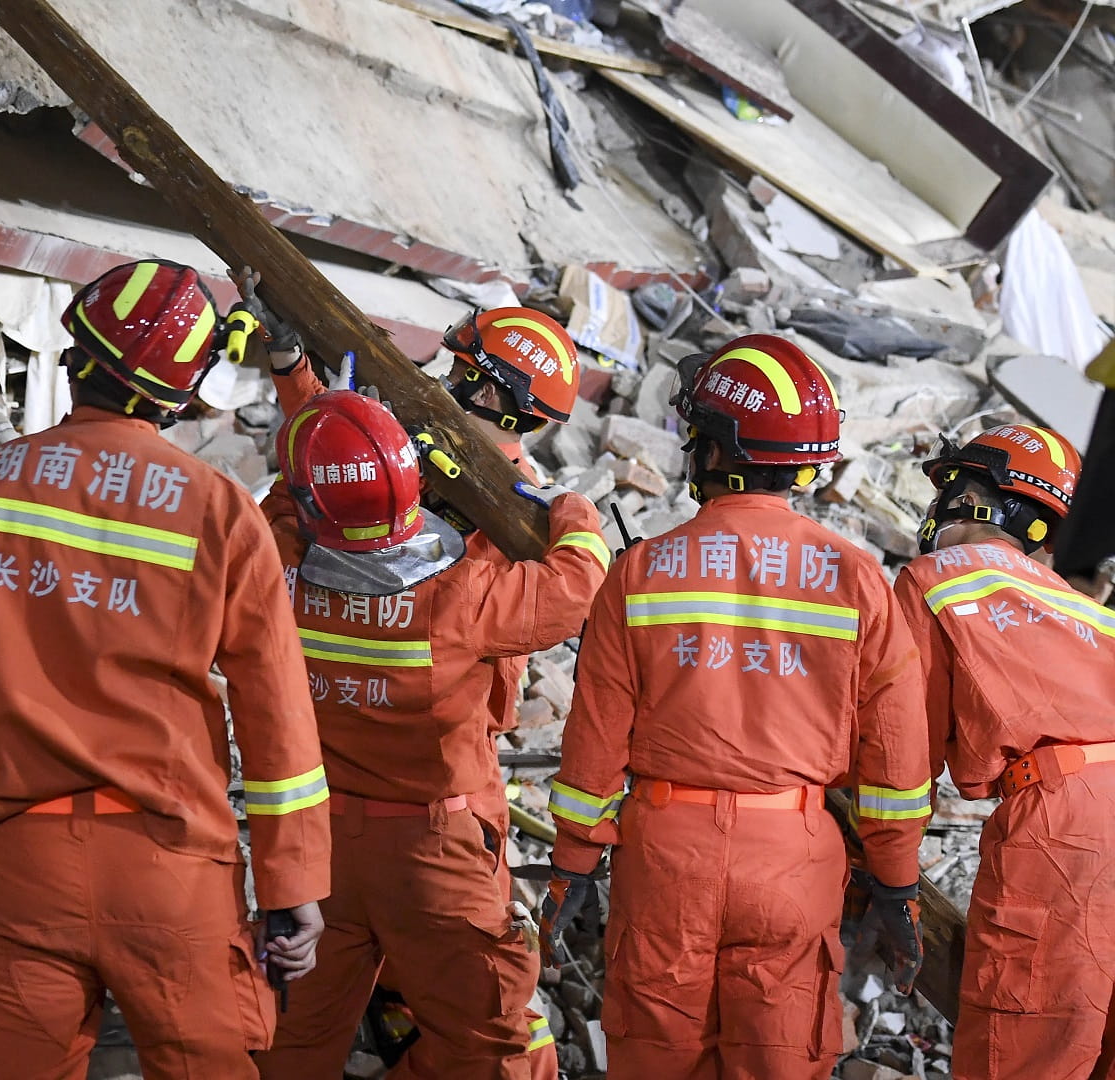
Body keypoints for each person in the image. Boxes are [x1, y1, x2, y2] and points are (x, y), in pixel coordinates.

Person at [0, 259, 332, 1080]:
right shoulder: (222, 514)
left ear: (76, 358)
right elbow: (277, 718)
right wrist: (294, 883)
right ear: (181, 397)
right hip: (173, 875)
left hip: (16, 872)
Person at [544, 334, 930, 1078]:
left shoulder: (643, 572)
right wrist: (898, 878)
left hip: (665, 856)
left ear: (715, 452)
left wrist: (571, 863)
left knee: (656, 1058)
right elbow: (896, 750)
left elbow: (593, 742)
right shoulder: (857, 579)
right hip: (793, 857)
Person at [246, 301, 609, 1077]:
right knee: (495, 1040)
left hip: (315, 833)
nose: (439, 380)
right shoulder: (471, 583)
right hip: (438, 834)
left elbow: (324, 469)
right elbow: (578, 581)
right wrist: (571, 511)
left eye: (457, 369)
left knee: (290, 1037)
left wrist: (295, 378)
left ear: (485, 386)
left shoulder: (284, 569)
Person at [892, 423, 1114, 1080]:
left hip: (1064, 830)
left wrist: (890, 874)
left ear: (974, 503)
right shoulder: (1088, 613)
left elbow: (901, 761)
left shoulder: (934, 579)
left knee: (1024, 1053)